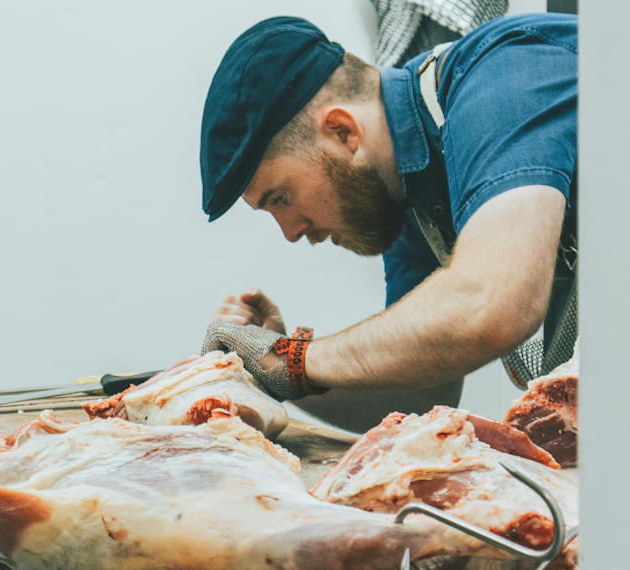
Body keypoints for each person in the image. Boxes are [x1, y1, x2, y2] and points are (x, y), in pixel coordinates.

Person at [198, 13, 578, 432]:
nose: (291, 232)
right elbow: (419, 395)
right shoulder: (406, 195)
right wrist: (275, 371)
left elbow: (494, 302)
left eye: (282, 198)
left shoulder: (502, 77)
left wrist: (292, 358)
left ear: (343, 131)